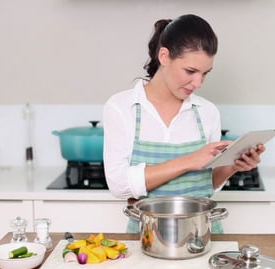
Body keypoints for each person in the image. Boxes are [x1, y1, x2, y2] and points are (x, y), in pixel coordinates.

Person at [103, 14, 265, 233]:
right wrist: (190, 160)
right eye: (190, 71)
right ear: (164, 56)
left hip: (203, 235)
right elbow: (120, 185)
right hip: (148, 238)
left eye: (205, 73)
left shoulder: (207, 112)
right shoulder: (123, 107)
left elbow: (208, 184)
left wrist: (233, 165)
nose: (198, 83)